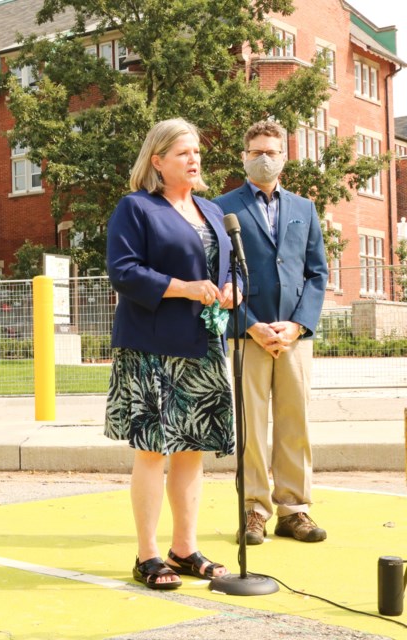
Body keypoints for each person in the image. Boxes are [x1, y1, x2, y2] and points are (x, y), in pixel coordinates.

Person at [106, 118, 236, 590]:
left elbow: (233, 271)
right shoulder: (136, 208)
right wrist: (184, 289)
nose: (195, 158)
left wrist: (233, 292)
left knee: (192, 452)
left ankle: (185, 548)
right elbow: (123, 271)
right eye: (183, 153)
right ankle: (148, 555)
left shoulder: (213, 212)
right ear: (157, 161)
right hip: (150, 347)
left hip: (202, 347)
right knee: (152, 450)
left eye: (197, 150)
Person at [214, 121, 328, 545]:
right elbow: (220, 275)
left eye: (273, 151)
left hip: (294, 335)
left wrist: (297, 325)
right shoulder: (222, 207)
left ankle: (294, 510)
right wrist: (253, 326)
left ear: (285, 157)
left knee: (294, 422)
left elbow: (317, 273)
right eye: (257, 151)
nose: (265, 158)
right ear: (244, 156)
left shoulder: (305, 209)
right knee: (251, 423)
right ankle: (254, 510)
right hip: (248, 334)